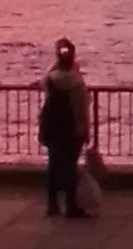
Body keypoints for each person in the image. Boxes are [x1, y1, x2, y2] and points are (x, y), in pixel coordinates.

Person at [38, 37, 90, 218]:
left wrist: (59, 55)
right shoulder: (75, 83)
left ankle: (52, 204)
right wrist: (85, 131)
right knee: (70, 167)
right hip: (70, 128)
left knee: (53, 165)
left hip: (52, 126)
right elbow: (81, 108)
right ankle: (70, 205)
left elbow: (45, 76)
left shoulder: (50, 79)